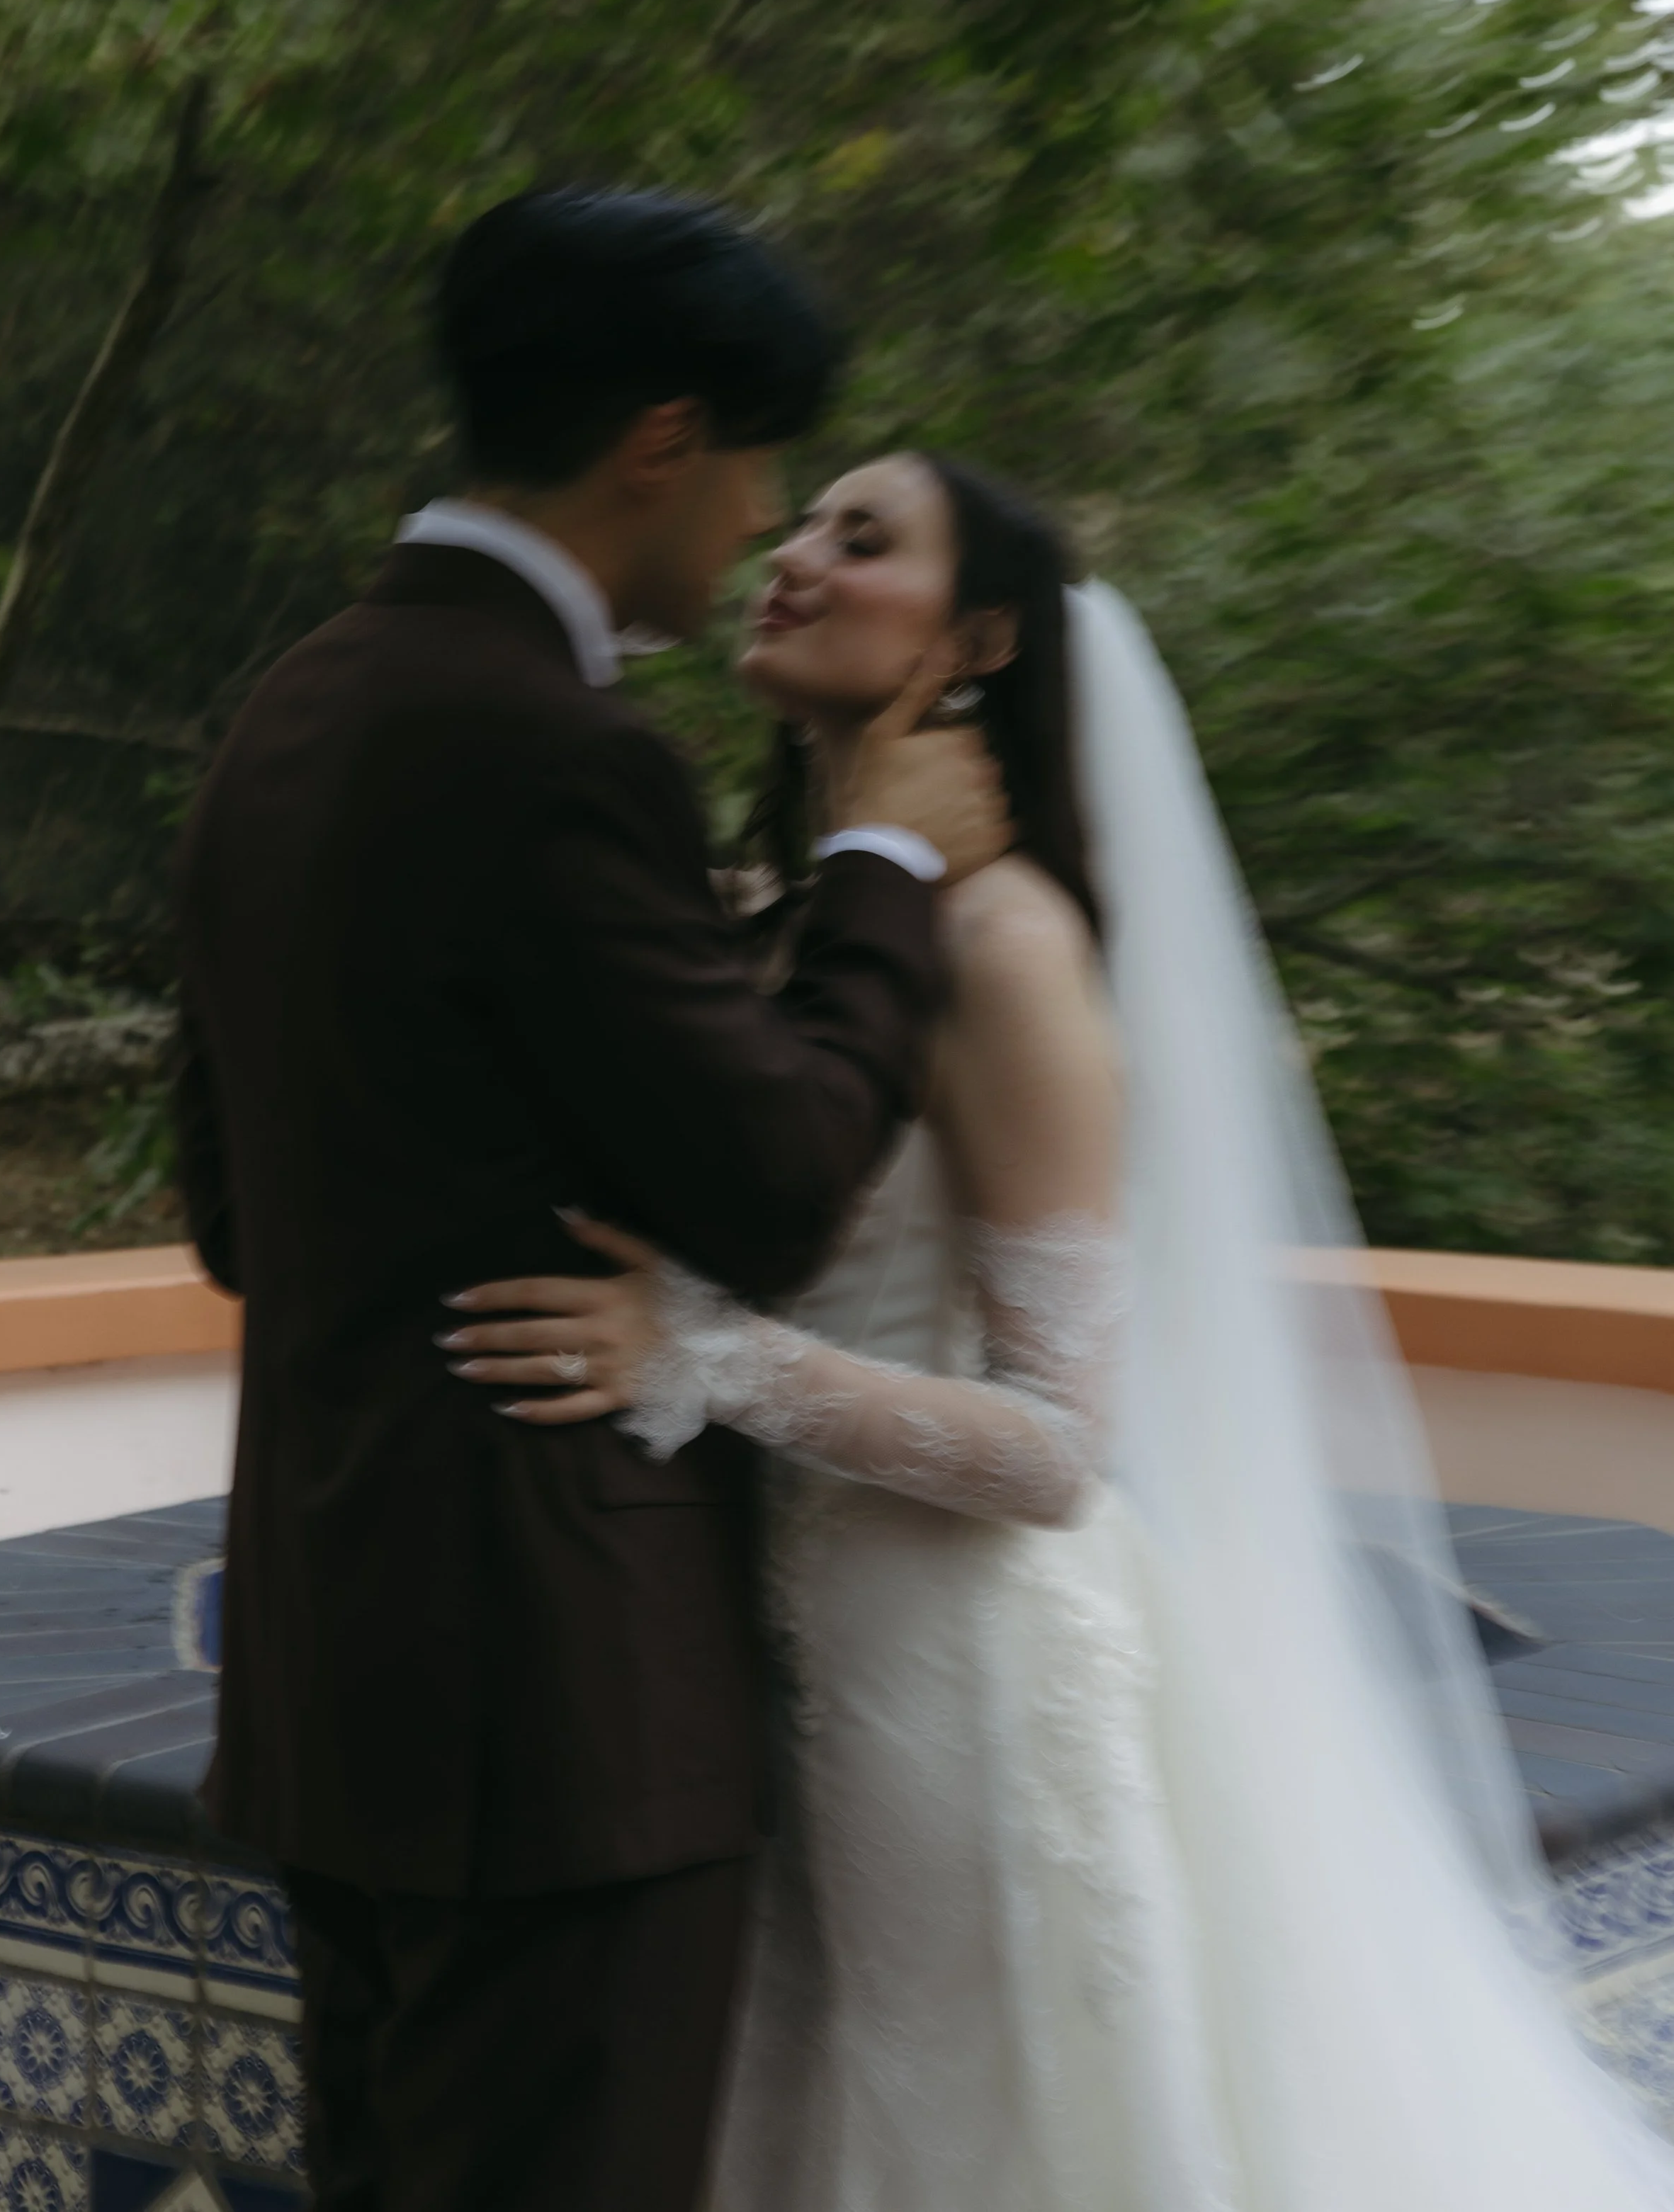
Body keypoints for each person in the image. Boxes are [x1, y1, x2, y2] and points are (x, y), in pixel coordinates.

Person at [445, 450, 1674, 2210]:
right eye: (800, 522)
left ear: (982, 639)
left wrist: (696, 1355)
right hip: (764, 1653)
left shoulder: (1006, 945)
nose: (792, 556)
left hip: (949, 1674)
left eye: (861, 541)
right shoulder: (799, 925)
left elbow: (1053, 1445)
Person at [171, 191, 1011, 2212]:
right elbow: (782, 1177)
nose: (757, 528)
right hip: (556, 1706)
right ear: (662, 436)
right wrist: (880, 875)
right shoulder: (555, 752)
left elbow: (225, 1208)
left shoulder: (286, 706)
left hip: (331, 1671)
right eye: (758, 471)